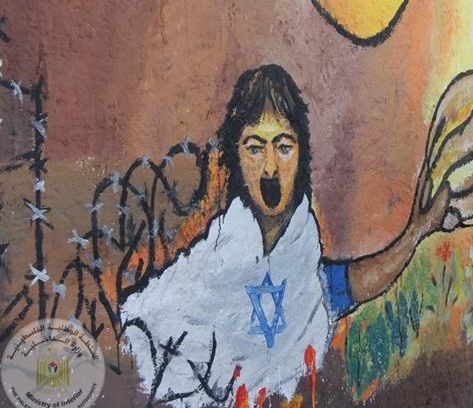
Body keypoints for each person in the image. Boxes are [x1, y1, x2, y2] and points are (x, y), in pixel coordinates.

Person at [121, 64, 450, 407]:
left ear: (300, 152)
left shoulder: (302, 261)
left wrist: (418, 231)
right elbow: (141, 336)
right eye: (254, 148)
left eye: (283, 146)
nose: (270, 168)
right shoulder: (206, 268)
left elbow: (346, 285)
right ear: (236, 156)